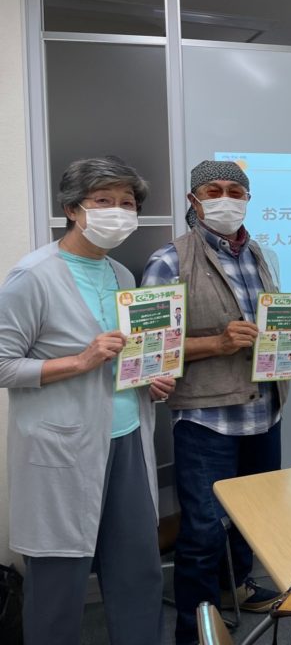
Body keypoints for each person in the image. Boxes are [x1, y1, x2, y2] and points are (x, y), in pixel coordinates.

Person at [142, 160, 291, 644]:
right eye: (213, 190)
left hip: (263, 409)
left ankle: (237, 588)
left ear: (247, 199)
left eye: (235, 190)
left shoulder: (261, 255)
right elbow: (149, 349)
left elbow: (270, 323)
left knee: (254, 519)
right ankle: (196, 631)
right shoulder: (170, 260)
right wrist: (217, 343)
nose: (225, 198)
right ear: (193, 200)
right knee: (204, 532)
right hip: (206, 417)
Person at [0, 156, 175, 645]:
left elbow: (124, 356)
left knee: (138, 569)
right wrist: (79, 361)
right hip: (63, 447)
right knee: (59, 579)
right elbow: (3, 365)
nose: (118, 211)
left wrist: (148, 379)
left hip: (126, 437)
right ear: (73, 209)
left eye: (127, 203)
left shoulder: (121, 275)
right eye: (104, 200)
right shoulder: (32, 276)